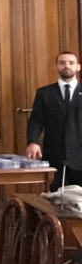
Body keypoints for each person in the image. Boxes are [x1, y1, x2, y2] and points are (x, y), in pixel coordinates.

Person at [26, 51, 82, 188]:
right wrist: (33, 142)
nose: (66, 66)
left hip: (80, 153)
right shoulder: (44, 93)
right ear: (56, 66)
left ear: (78, 67)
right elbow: (36, 121)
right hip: (55, 153)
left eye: (71, 63)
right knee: (55, 197)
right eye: (62, 63)